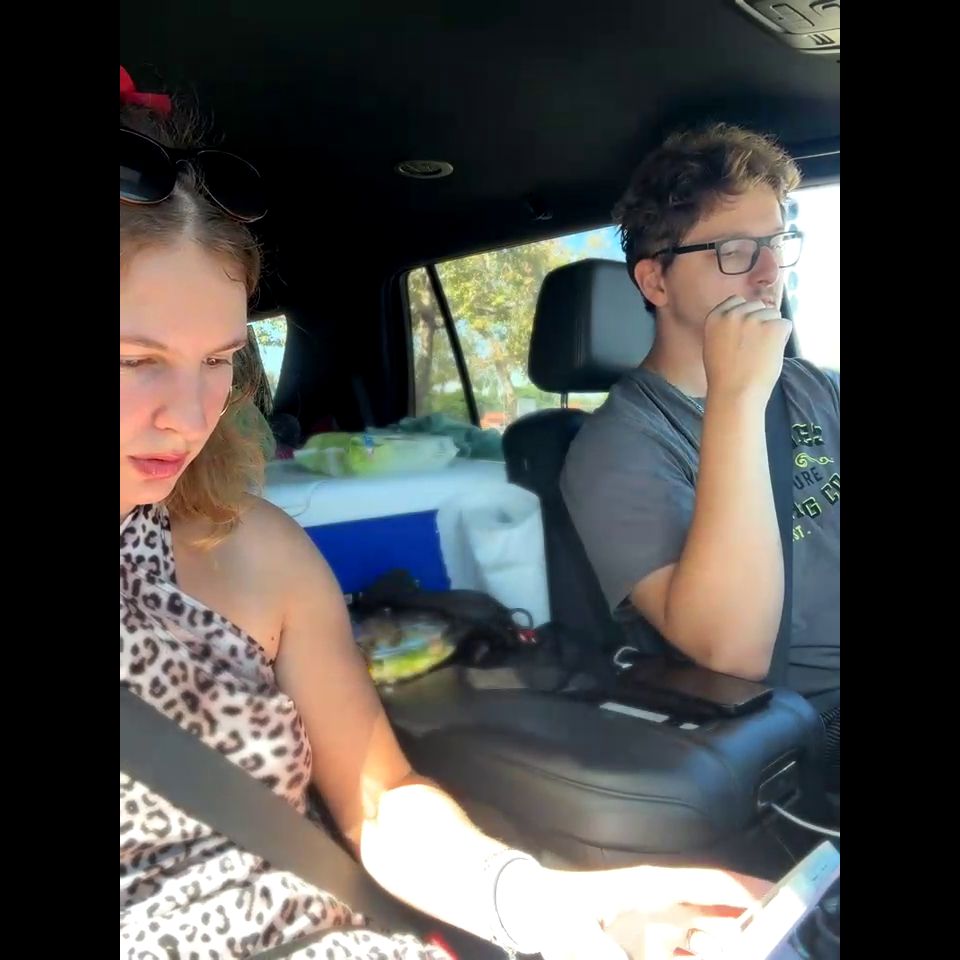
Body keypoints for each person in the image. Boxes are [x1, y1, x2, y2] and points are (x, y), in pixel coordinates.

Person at [119, 70, 768, 960]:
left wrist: (567, 912)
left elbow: (382, 804)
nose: (191, 417)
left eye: (220, 361)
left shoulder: (255, 549)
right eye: (136, 361)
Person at [560, 124, 840, 782]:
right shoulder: (618, 446)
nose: (770, 274)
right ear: (655, 281)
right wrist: (736, 397)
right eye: (736, 251)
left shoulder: (816, 387)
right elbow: (731, 653)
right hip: (809, 732)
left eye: (776, 244)